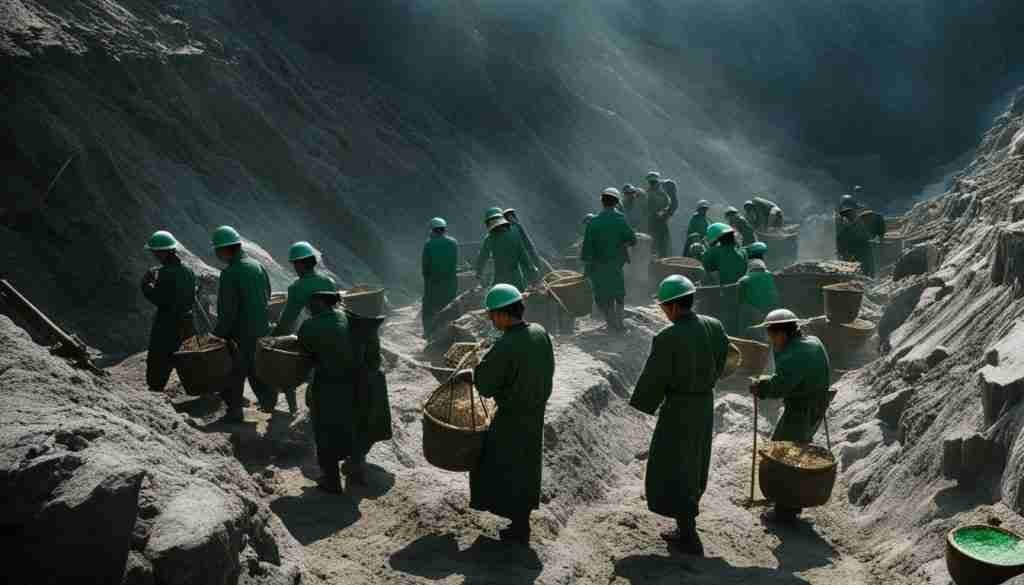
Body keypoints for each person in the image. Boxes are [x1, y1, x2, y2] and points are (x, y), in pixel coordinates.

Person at [629, 275, 729, 556]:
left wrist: (643, 403)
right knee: (694, 463)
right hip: (704, 405)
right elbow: (723, 361)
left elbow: (655, 377)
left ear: (671, 307)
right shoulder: (714, 325)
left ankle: (688, 534)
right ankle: (686, 527)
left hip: (679, 410)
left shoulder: (668, 337)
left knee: (674, 466)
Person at [460, 284, 554, 545]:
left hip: (511, 418)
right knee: (526, 467)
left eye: (492, 316)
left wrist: (476, 368)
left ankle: (517, 527)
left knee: (499, 465)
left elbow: (487, 386)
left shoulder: (507, 345)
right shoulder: (539, 332)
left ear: (502, 314)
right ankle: (520, 521)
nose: (491, 320)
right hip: (535, 413)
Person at [299, 290, 392, 493]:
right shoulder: (354, 318)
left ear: (320, 302)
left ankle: (331, 481)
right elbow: (373, 358)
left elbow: (303, 360)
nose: (308, 308)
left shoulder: (310, 326)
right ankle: (357, 469)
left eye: (310, 303)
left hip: (329, 388)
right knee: (357, 426)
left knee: (326, 432)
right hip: (360, 385)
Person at [749, 309, 832, 523]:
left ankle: (786, 510)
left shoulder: (796, 353)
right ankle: (792, 504)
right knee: (795, 449)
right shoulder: (810, 342)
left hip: (802, 408)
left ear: (781, 334)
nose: (770, 340)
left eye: (771, 335)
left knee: (785, 455)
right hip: (814, 404)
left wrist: (762, 387)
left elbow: (781, 385)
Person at [210, 225, 273, 422]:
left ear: (225, 249)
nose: (216, 254)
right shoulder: (257, 266)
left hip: (240, 333)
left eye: (217, 250)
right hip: (262, 329)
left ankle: (234, 411)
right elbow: (268, 294)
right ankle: (269, 403)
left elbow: (228, 312)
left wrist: (217, 335)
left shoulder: (230, 273)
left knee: (233, 371)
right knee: (256, 368)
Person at [269, 241, 337, 415]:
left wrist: (273, 337)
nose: (294, 268)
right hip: (336, 329)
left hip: (315, 334)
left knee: (287, 366)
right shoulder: (328, 281)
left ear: (299, 264)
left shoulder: (297, 287)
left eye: (294, 264)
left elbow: (287, 320)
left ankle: (293, 411)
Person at [140, 230, 197, 393]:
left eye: (155, 252)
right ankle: (197, 388)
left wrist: (146, 284)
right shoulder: (188, 270)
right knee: (188, 358)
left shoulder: (163, 274)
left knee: (158, 359)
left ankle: (156, 391)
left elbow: (159, 298)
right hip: (187, 323)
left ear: (163, 252)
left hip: (167, 324)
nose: (154, 255)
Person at [581, 187, 637, 332]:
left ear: (602, 202)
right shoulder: (620, 219)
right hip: (615, 265)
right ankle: (619, 323)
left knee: (602, 294)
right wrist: (620, 244)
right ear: (617, 202)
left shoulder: (594, 222)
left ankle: (611, 323)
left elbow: (587, 248)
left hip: (598, 266)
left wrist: (587, 268)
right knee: (618, 292)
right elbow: (632, 239)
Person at [701, 223, 748, 336]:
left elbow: (706, 265)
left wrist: (708, 248)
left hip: (722, 294)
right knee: (735, 321)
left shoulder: (715, 252)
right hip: (740, 292)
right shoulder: (742, 252)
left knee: (723, 322)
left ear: (717, 239)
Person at [476, 207, 536, 290]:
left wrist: (478, 273)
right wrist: (533, 275)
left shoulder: (489, 238)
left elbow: (482, 258)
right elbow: (524, 257)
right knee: (518, 296)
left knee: (497, 299)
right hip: (516, 278)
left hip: (500, 279)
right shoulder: (515, 232)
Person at [625, 171, 678, 258]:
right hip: (652, 227)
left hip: (653, 227)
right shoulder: (659, 196)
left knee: (656, 251)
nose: (653, 184)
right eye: (652, 182)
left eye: (653, 182)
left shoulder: (650, 195)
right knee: (658, 252)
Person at [421, 218, 459, 338]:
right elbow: (454, 263)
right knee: (449, 308)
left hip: (434, 284)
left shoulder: (429, 244)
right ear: (444, 229)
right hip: (451, 284)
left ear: (432, 230)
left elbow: (425, 268)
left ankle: (428, 333)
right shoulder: (453, 243)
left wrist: (427, 280)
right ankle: (450, 332)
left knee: (428, 309)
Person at [738, 259, 780, 337]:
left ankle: (743, 336)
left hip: (755, 311)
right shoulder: (770, 275)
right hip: (774, 310)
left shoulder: (744, 280)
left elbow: (740, 299)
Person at [504, 208, 549, 276]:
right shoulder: (513, 227)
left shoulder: (516, 226)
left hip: (529, 250)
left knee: (536, 264)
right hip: (524, 252)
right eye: (509, 217)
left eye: (512, 216)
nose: (511, 218)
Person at [837, 204, 875, 277]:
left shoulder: (858, 227)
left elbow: (864, 240)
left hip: (861, 254)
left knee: (865, 271)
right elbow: (840, 242)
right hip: (852, 256)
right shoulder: (846, 230)